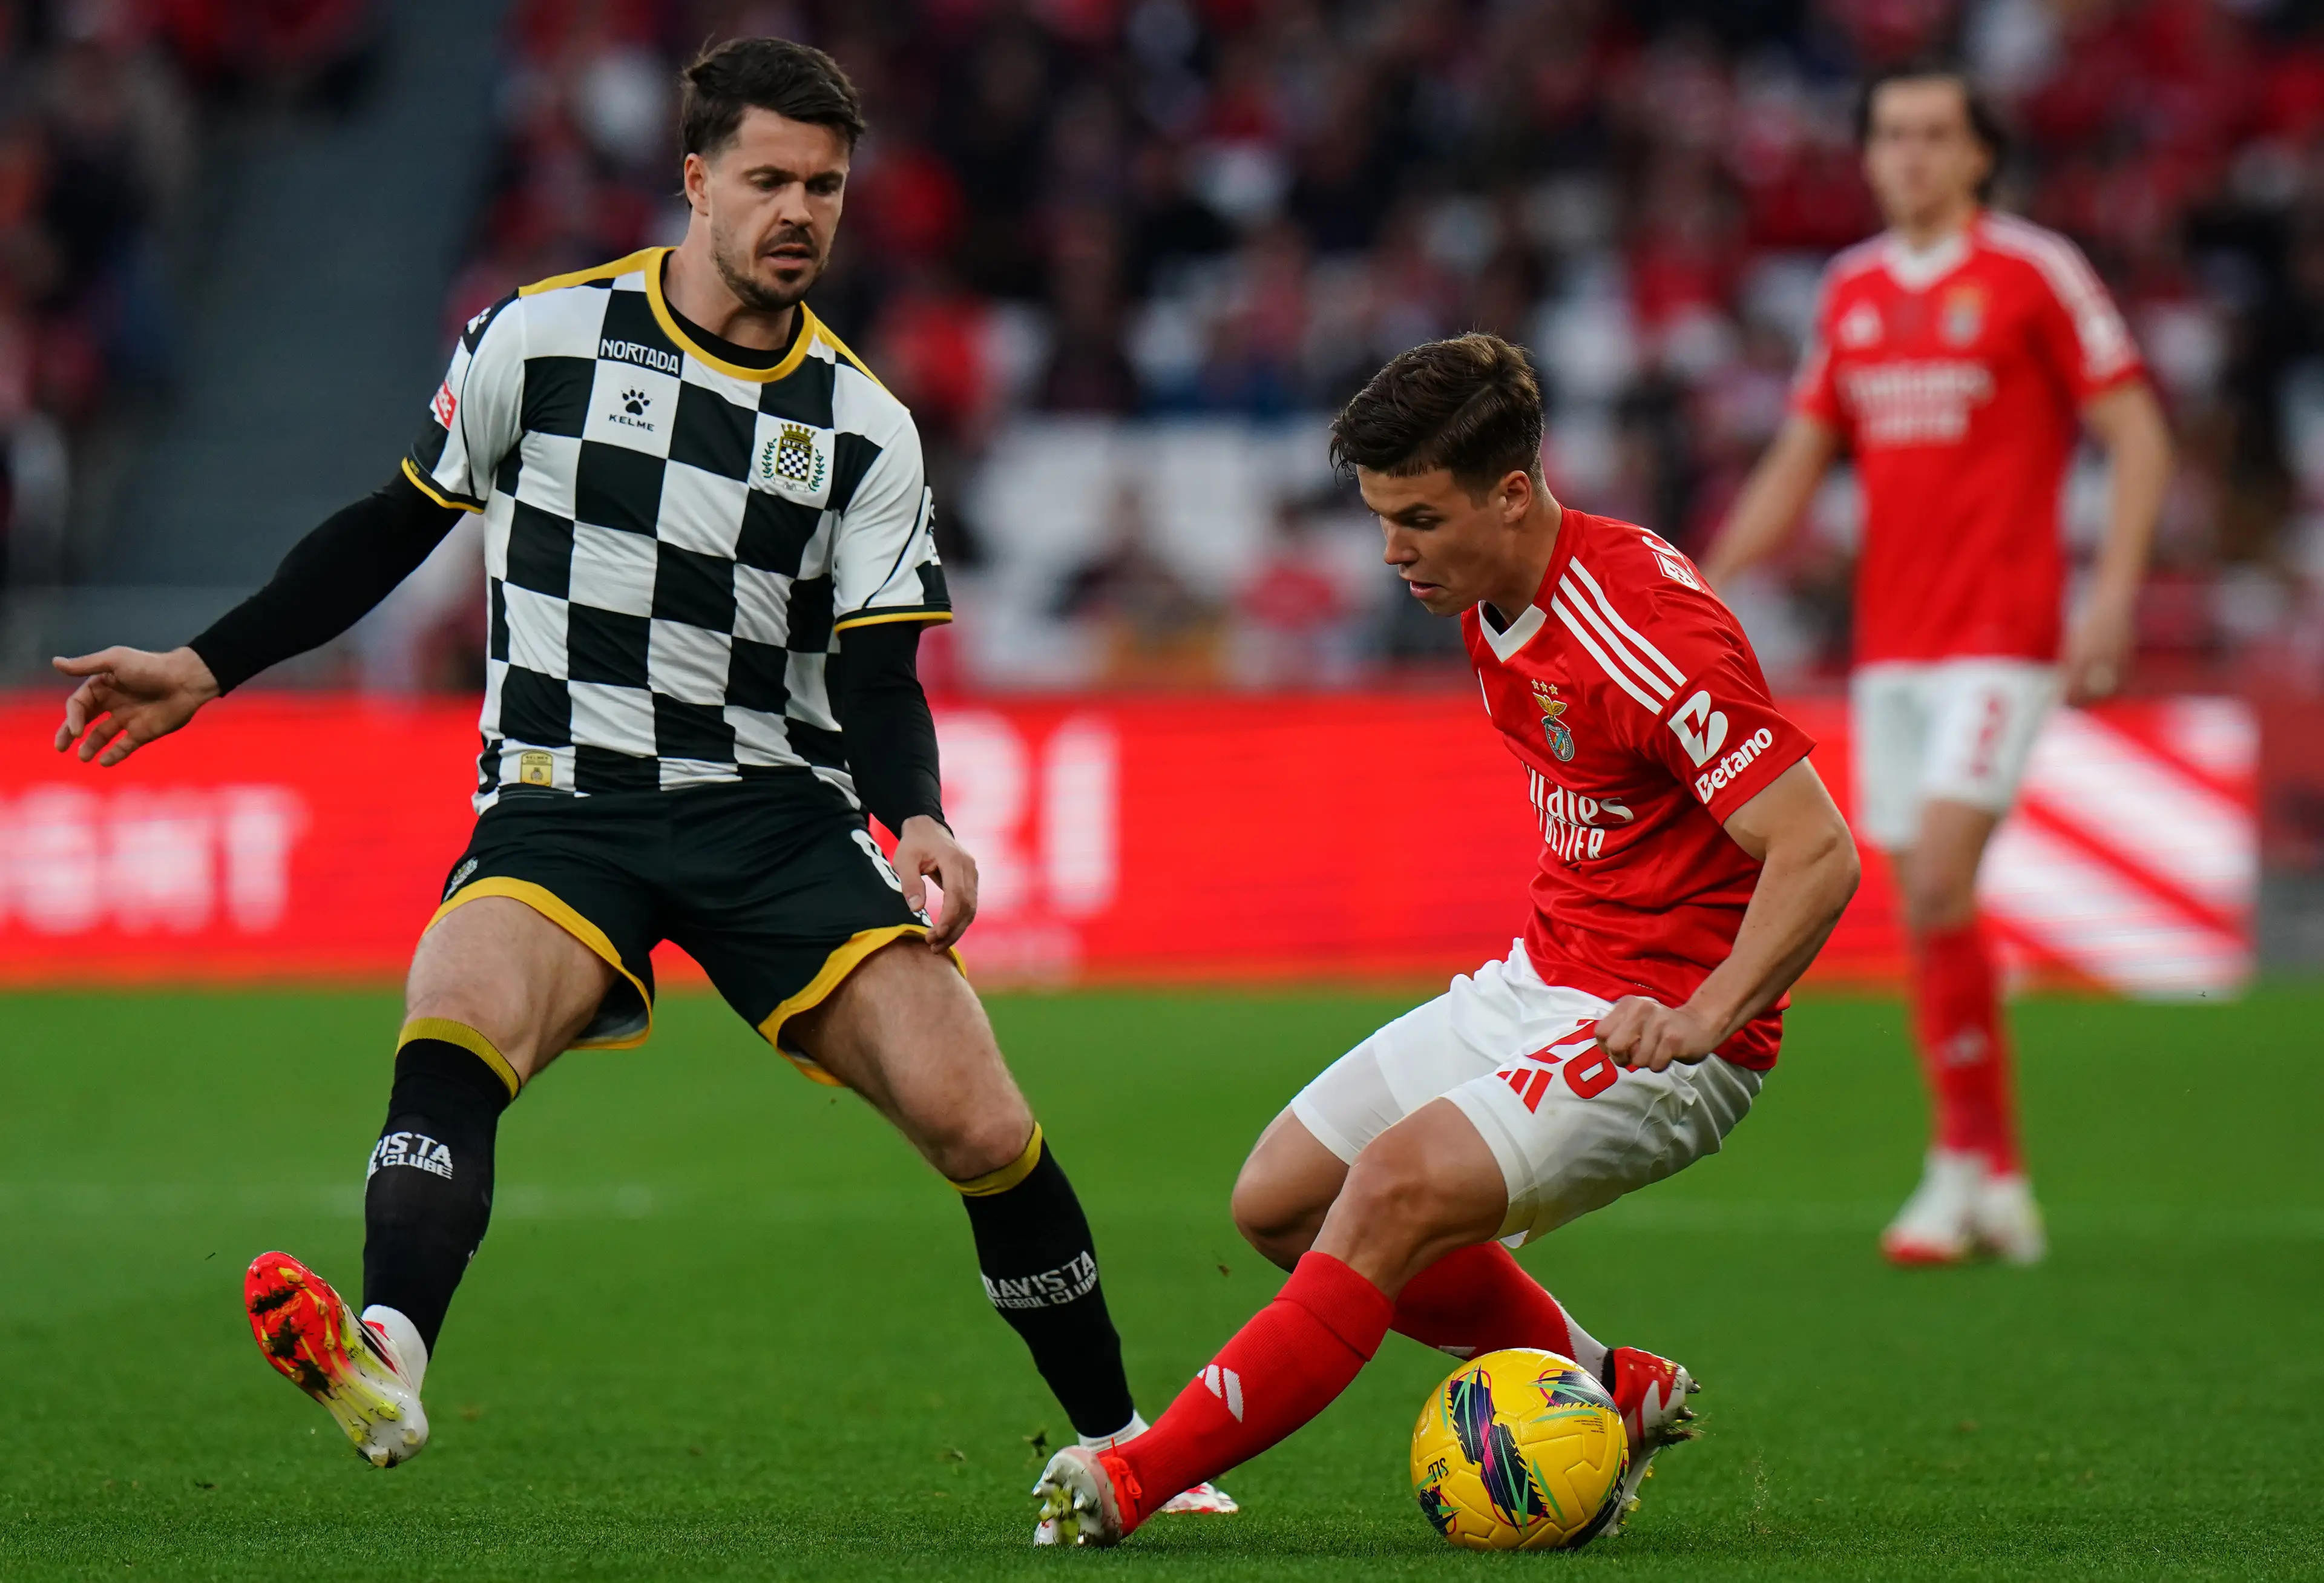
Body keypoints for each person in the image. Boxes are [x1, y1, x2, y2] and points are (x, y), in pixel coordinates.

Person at [47, 37, 1230, 1531]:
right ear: (695, 179)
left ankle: (1127, 1441)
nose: (801, 211)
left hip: (775, 811)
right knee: (455, 1009)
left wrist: (916, 810)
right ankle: (392, 1349)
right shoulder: (536, 341)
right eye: (770, 180)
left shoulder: (866, 427)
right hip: (563, 795)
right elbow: (389, 526)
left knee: (981, 1122)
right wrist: (209, 665)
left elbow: (877, 674)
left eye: (827, 187)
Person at [1032, 333, 1860, 1545]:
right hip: (1544, 976)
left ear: (1513, 492)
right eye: (1379, 516)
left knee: (1393, 1191)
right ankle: (1604, 1379)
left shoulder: (1645, 630)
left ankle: (1134, 1477)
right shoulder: (1487, 594)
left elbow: (1820, 849)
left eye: (1418, 516)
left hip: (1667, 1027)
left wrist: (1706, 1014)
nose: (1392, 550)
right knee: (1277, 1200)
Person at [1700, 63, 2171, 1266]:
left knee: (1944, 879)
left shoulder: (2033, 270)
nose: (1909, 153)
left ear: (1978, 156)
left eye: (1933, 134)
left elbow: (2136, 431)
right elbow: (1802, 456)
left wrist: (2109, 596)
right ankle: (2001, 1174)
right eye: (1890, 133)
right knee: (1928, 908)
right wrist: (1697, 579)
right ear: (1866, 155)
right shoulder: (1849, 289)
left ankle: (1953, 1170)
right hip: (1892, 645)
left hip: (2003, 635)